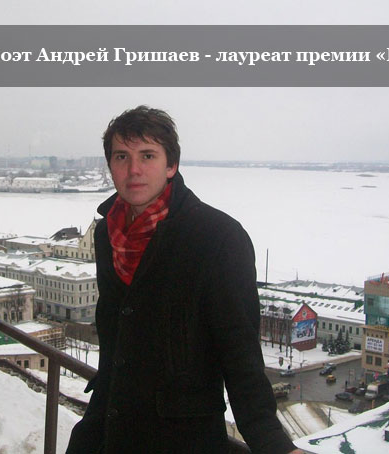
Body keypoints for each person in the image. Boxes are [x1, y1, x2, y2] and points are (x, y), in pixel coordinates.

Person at [66, 106, 300, 454]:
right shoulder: (107, 234)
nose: (133, 169)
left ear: (171, 165)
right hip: (108, 428)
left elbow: (240, 354)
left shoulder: (217, 238)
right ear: (110, 166)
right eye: (121, 157)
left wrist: (272, 442)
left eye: (148, 155)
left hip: (181, 439)